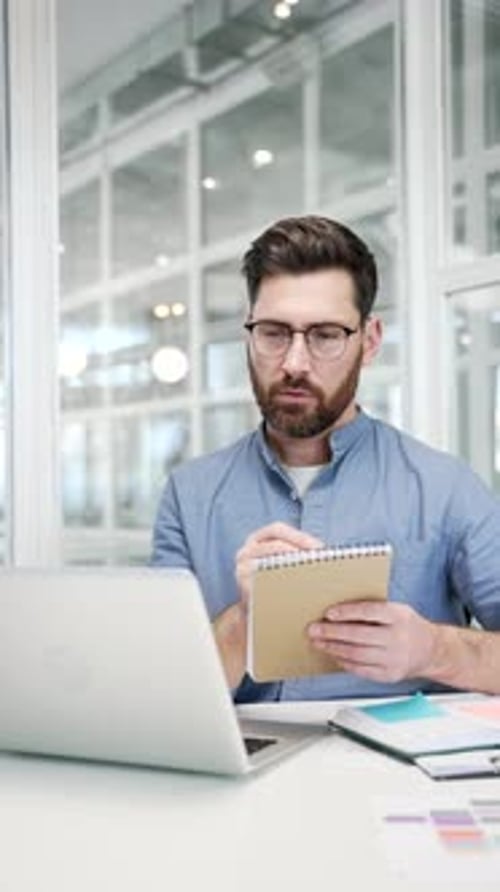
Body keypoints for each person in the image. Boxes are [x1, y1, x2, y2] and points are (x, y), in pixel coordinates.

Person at [151, 214, 500, 702]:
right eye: (274, 332)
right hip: (240, 774)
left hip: (394, 777)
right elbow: (157, 692)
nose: (294, 363)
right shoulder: (188, 496)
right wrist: (242, 622)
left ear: (370, 341)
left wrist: (435, 649)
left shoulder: (446, 487)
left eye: (325, 334)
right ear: (249, 336)